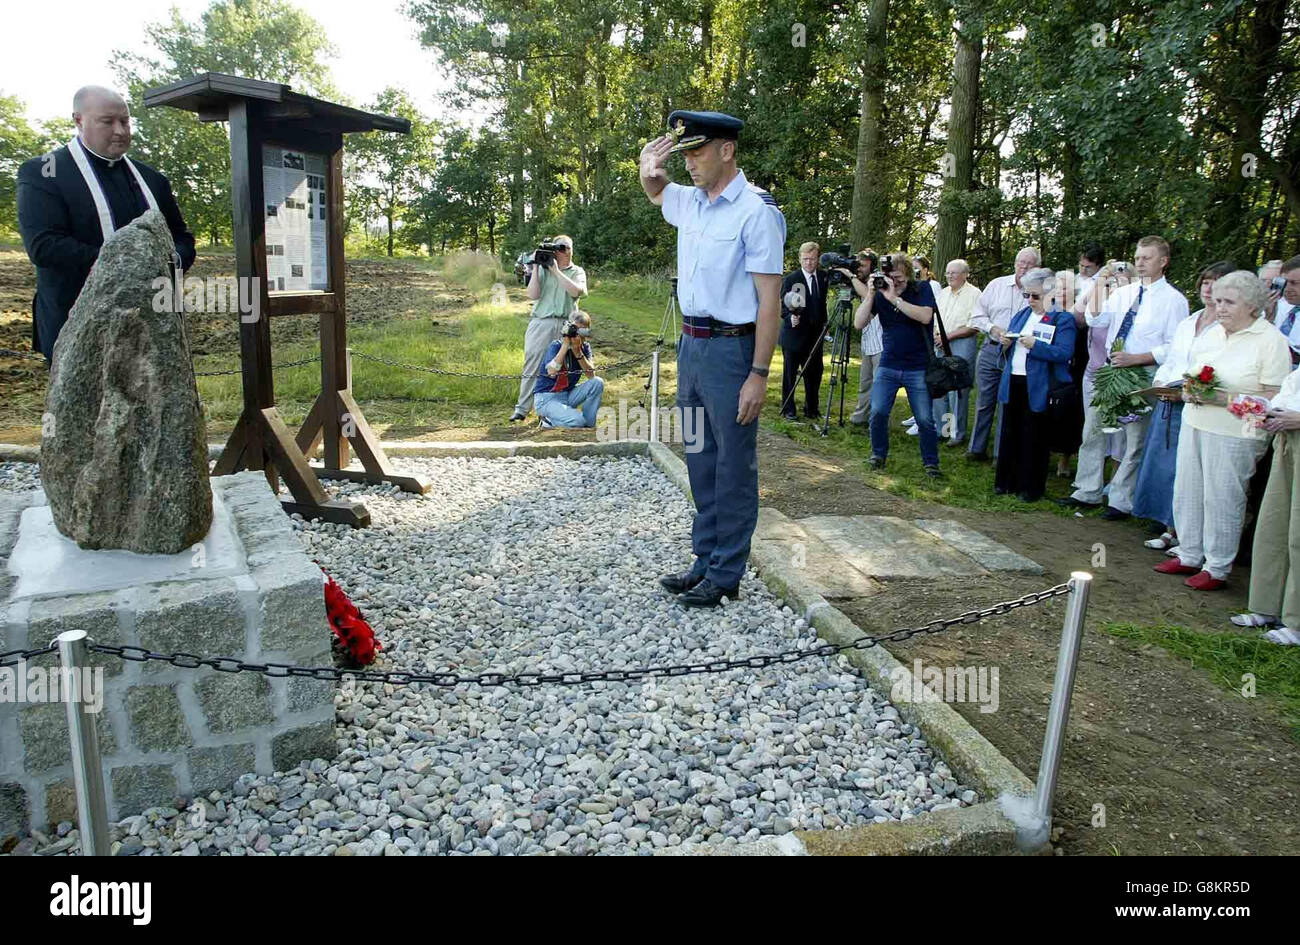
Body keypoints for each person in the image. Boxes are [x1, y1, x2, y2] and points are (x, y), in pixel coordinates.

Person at [639, 109, 785, 608]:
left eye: (697, 151)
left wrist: (759, 374)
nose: (689, 163)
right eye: (684, 154)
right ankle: (705, 560)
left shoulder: (757, 211)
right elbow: (657, 191)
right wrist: (647, 169)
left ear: (727, 150)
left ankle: (727, 572)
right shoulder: (692, 203)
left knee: (733, 467)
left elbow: (770, 302)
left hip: (731, 349)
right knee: (700, 459)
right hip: (692, 346)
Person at [17, 85, 195, 360]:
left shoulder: (153, 179)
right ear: (78, 120)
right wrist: (126, 265)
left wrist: (169, 261)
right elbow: (44, 245)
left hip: (153, 319)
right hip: (76, 320)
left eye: (125, 121)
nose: (120, 131)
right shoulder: (43, 171)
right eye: (107, 121)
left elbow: (182, 238)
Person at [1154, 270, 1290, 591]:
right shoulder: (1211, 335)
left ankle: (1217, 567)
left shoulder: (1271, 342)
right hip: (1195, 421)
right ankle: (1188, 551)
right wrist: (1187, 391)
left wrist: (1224, 399)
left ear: (1253, 305)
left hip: (1237, 432)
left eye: (1229, 302)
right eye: (1217, 301)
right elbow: (1192, 374)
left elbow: (1274, 399)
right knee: (1187, 489)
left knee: (1223, 496)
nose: (1221, 308)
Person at [1062, 236, 1188, 520]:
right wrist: (1101, 280)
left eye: (1147, 258)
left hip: (1141, 372)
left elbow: (1174, 346)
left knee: (1134, 438)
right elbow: (1094, 319)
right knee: (1093, 429)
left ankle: (1121, 499)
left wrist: (1138, 358)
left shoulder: (1174, 301)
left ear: (1163, 261)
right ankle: (1087, 490)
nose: (1140, 262)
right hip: (1110, 370)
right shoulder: (1123, 293)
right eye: (1138, 257)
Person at [1131, 261, 1235, 553]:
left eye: (1216, 283)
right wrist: (1163, 384)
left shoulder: (1225, 328)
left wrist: (1187, 390)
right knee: (1165, 465)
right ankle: (1169, 527)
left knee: (1189, 469)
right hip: (1170, 394)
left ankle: (1189, 535)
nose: (1208, 288)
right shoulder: (1190, 320)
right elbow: (1173, 357)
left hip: (1198, 399)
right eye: (1205, 282)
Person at [992, 268, 1077, 500]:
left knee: (1034, 437)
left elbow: (1064, 352)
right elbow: (1007, 343)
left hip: (1040, 384)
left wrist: (1035, 346)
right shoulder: (1021, 315)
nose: (1029, 300)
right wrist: (1005, 343)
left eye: (1035, 296)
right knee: (1010, 432)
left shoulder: (1063, 319)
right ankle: (1005, 482)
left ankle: (1030, 488)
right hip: (1015, 380)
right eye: (1026, 295)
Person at [1233, 364, 1300, 644]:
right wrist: (1263, 409)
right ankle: (1266, 605)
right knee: (1274, 524)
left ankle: (1296, 622)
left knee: (1298, 533)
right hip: (1286, 440)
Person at [859, 252, 941, 476]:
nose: (896, 283)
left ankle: (931, 462)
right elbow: (859, 323)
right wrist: (871, 294)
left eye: (900, 279)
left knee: (924, 418)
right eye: (892, 279)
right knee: (877, 411)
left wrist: (895, 298)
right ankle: (878, 454)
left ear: (908, 275)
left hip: (917, 365)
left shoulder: (922, 289)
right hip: (889, 363)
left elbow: (925, 317)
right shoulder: (880, 292)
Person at [968, 247, 1041, 461]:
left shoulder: (1039, 292)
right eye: (1020, 262)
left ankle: (1002, 454)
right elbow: (977, 315)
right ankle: (976, 448)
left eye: (1029, 264)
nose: (1023, 267)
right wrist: (994, 329)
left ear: (1037, 267)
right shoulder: (997, 285)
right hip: (991, 349)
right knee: (984, 401)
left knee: (1007, 404)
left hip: (1018, 354)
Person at [510, 235, 587, 422]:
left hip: (566, 322)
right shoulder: (542, 269)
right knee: (533, 362)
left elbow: (576, 292)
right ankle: (522, 409)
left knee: (564, 364)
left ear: (571, 250)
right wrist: (536, 266)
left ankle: (556, 406)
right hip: (541, 321)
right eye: (559, 248)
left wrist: (555, 271)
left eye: (566, 248)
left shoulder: (577, 271)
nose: (564, 252)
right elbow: (533, 294)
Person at [929, 258, 981, 447]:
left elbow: (974, 326)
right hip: (939, 344)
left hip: (961, 344)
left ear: (965, 274)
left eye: (954, 272)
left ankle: (956, 434)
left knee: (957, 389)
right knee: (939, 386)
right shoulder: (943, 293)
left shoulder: (975, 294)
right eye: (948, 272)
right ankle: (942, 430)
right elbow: (935, 318)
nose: (950, 275)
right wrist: (937, 336)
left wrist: (948, 337)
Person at [779, 242, 829, 419]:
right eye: (805, 259)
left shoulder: (823, 278)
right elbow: (783, 306)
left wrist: (825, 325)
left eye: (812, 259)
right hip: (794, 336)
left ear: (818, 259)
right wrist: (789, 317)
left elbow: (821, 304)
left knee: (814, 374)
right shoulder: (791, 279)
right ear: (800, 258)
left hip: (815, 336)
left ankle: (812, 409)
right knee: (790, 375)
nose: (808, 263)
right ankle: (788, 409)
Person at [532, 312, 604, 427]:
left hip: (567, 394)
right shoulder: (555, 346)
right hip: (547, 398)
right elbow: (551, 372)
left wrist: (577, 351)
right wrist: (565, 345)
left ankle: (588, 426)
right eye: (575, 329)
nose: (577, 334)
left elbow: (591, 376)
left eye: (582, 330)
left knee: (597, 382)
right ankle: (548, 422)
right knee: (577, 421)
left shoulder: (584, 347)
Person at [847, 252, 882, 433]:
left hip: (881, 341)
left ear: (871, 264)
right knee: (865, 382)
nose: (859, 268)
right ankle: (860, 417)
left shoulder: (878, 279)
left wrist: (850, 276)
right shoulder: (860, 280)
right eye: (857, 265)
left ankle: (877, 421)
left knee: (879, 384)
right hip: (868, 340)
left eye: (862, 264)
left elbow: (870, 295)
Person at [1269, 254, 1300, 368]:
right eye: (1284, 283)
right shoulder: (1288, 311)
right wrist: (1269, 317)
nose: (1287, 290)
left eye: (1293, 283)